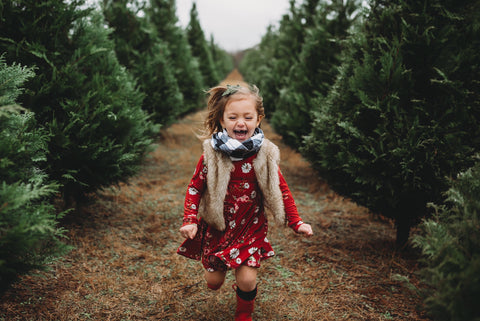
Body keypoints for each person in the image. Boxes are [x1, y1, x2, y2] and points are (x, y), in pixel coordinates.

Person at [177, 84, 313, 321]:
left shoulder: (265, 154)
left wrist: (296, 221)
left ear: (258, 119)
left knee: (248, 280)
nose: (241, 122)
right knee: (213, 283)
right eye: (233, 117)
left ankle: (243, 311)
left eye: (248, 117)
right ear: (222, 120)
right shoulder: (211, 154)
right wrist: (190, 220)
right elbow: (194, 187)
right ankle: (221, 271)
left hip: (250, 227)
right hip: (219, 228)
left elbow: (281, 189)